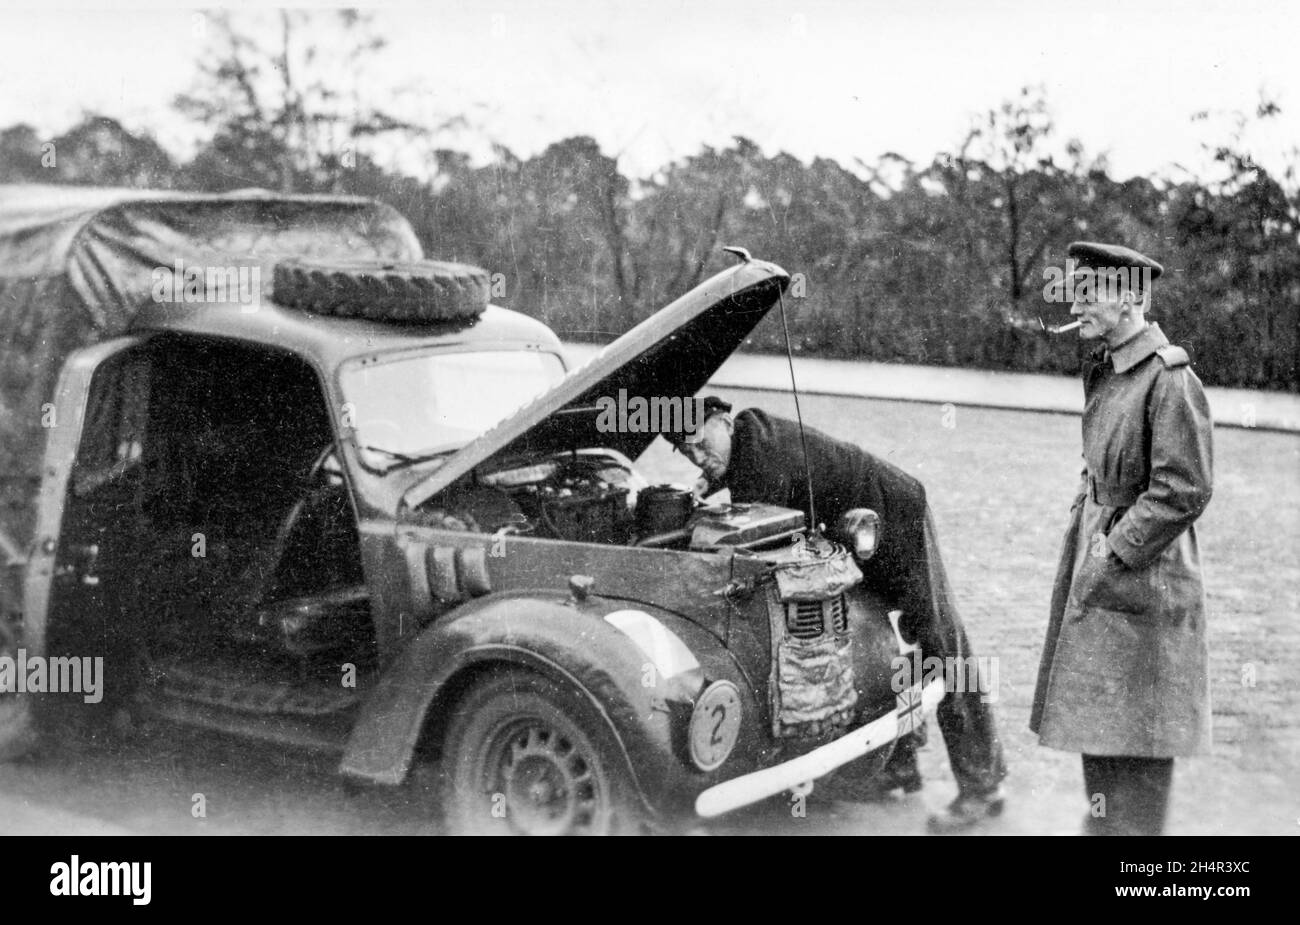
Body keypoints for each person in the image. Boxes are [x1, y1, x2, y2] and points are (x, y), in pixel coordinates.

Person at [669, 398, 1007, 833]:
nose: (699, 456)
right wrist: (709, 478)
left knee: (941, 642)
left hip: (896, 516)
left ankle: (984, 785)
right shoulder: (752, 435)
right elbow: (743, 466)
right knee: (878, 639)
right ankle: (898, 767)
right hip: (862, 529)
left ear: (722, 422)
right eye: (687, 452)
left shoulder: (759, 459)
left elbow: (758, 539)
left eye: (700, 444)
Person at [1030, 241, 1214, 836]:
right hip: (1105, 568)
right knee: (1099, 732)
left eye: (1091, 292)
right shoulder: (1107, 367)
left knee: (1140, 738)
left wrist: (1113, 549)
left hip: (1145, 583)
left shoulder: (1170, 379)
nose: (1076, 302)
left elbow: (1185, 488)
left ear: (1132, 298)